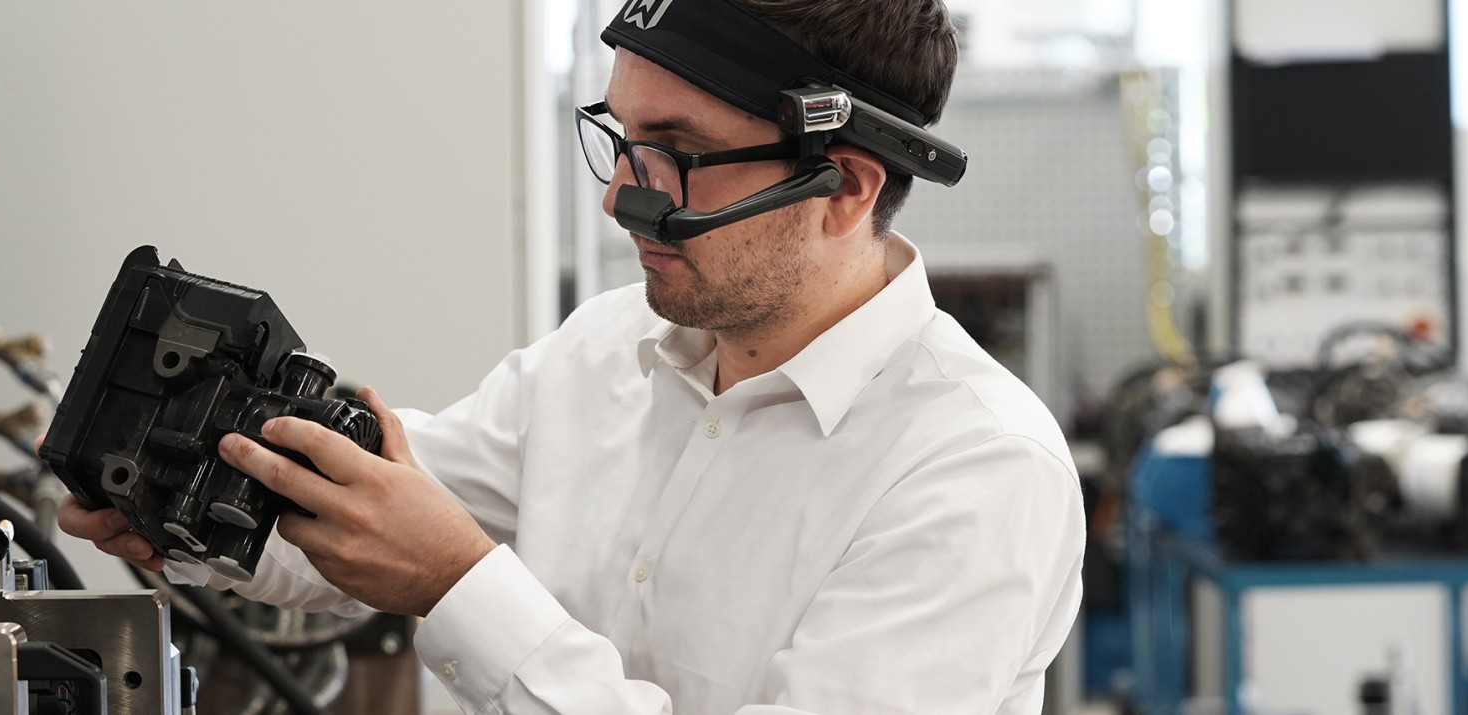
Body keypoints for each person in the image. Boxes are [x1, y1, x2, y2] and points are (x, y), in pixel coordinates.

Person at [60, 0, 1084, 711]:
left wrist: (461, 587)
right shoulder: (607, 351)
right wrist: (190, 498)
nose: (619, 195)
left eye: (675, 155)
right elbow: (383, 515)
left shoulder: (975, 473)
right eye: (619, 136)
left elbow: (438, 561)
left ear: (847, 185)